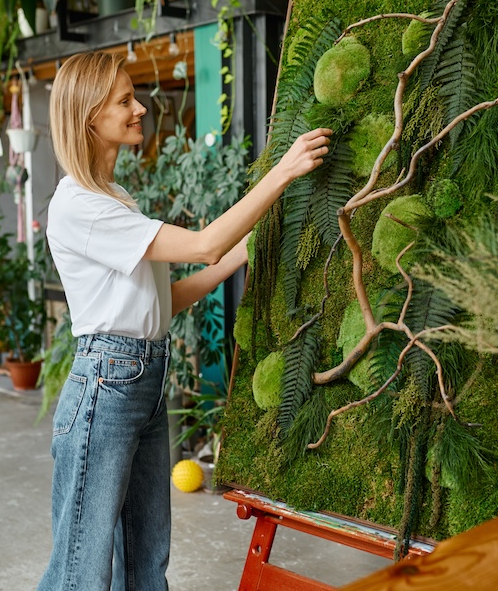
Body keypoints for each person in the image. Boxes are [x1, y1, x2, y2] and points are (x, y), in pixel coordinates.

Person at [37, 50, 332, 591]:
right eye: (125, 101)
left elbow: (159, 303)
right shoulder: (78, 206)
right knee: (80, 570)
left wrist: (241, 253)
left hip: (140, 378)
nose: (141, 109)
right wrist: (284, 171)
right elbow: (202, 244)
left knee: (147, 560)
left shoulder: (116, 198)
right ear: (88, 118)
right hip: (107, 383)